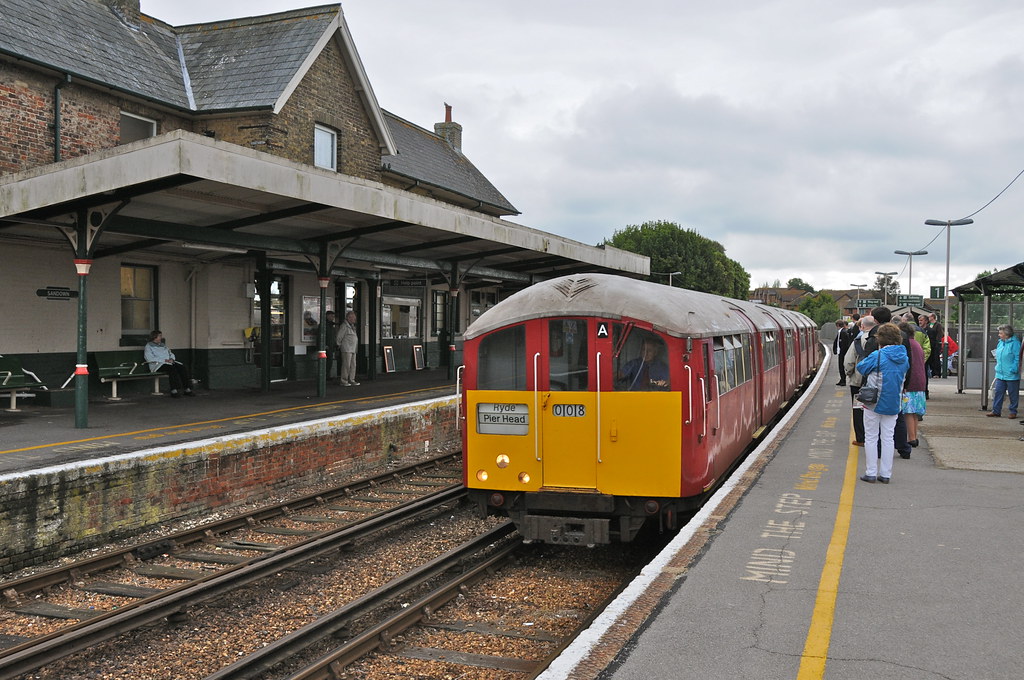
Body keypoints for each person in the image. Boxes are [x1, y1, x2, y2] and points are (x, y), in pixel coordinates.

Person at [856, 322, 909, 484]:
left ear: (880, 340)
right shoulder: (903, 357)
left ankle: (871, 472)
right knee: (888, 438)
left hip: (874, 401)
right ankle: (886, 474)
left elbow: (861, 368)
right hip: (894, 402)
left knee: (871, 437)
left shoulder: (878, 355)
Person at [844, 316, 875, 446]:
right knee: (874, 410)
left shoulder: (858, 340)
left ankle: (861, 438)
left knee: (858, 409)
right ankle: (874, 437)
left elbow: (849, 361)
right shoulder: (882, 338)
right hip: (876, 381)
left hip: (858, 382)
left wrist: (849, 374)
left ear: (862, 326)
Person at [897, 321, 927, 451]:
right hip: (920, 380)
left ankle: (911, 438)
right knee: (914, 413)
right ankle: (914, 436)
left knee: (908, 412)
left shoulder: (907, 345)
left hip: (912, 381)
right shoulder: (917, 344)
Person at [144, 330, 195, 398]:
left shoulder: (163, 345)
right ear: (154, 337)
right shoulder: (148, 346)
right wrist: (164, 360)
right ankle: (174, 390)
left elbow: (170, 353)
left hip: (169, 362)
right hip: (158, 364)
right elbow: (149, 358)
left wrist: (171, 359)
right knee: (172, 369)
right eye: (159, 336)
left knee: (182, 367)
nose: (161, 338)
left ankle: (187, 389)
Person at [987, 324, 1021, 419]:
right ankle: (996, 410)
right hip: (1000, 373)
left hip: (1011, 373)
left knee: (1013, 394)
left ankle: (1013, 411)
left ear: (1007, 334)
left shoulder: (1015, 343)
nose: (999, 335)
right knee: (998, 392)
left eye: (1001, 333)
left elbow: (1018, 357)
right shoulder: (1000, 342)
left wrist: (1014, 368)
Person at [336, 310, 360, 386]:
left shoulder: (352, 327)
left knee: (353, 365)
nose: (354, 320)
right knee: (346, 365)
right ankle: (344, 380)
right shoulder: (344, 326)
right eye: (353, 318)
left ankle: (352, 379)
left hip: (353, 348)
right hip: (346, 348)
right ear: (349, 318)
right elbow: (339, 336)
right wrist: (338, 344)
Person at [926, 313, 945, 378]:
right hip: (930, 343)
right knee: (930, 358)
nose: (928, 318)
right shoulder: (928, 325)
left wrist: (937, 341)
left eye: (930, 317)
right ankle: (932, 371)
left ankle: (937, 373)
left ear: (933, 317)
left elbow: (940, 334)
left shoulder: (938, 325)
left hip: (936, 344)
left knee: (936, 358)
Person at [324, 310, 339, 379]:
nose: (332, 318)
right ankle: (326, 375)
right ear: (327, 316)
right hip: (327, 346)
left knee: (330, 361)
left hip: (331, 346)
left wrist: (335, 344)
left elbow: (333, 336)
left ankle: (328, 375)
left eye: (333, 316)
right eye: (331, 316)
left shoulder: (332, 326)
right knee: (327, 362)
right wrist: (324, 345)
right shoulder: (324, 325)